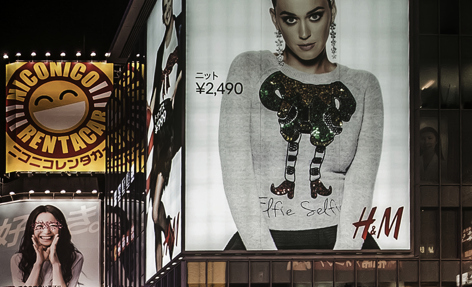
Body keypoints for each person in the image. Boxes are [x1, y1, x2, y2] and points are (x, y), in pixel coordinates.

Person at [219, 0, 384, 251]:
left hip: (342, 240)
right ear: (275, 19)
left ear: (332, 11)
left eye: (315, 16)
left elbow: (362, 179)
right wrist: (264, 257)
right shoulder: (250, 69)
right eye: (291, 19)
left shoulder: (363, 85)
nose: (304, 33)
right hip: (260, 241)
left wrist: (343, 259)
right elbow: (235, 170)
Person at [147, 0, 184, 271]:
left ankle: (168, 228)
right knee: (152, 213)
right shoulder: (160, 47)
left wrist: (174, 96)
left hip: (172, 125)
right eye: (164, 5)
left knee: (154, 209)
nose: (167, 9)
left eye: (170, 4)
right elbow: (155, 90)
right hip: (159, 127)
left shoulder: (182, 29)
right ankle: (159, 274)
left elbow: (186, 69)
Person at [10, 204, 85, 287]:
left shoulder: (75, 257)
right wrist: (38, 263)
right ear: (31, 230)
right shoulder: (18, 259)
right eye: (40, 226)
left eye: (53, 225)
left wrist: (56, 264)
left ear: (61, 228)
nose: (46, 231)